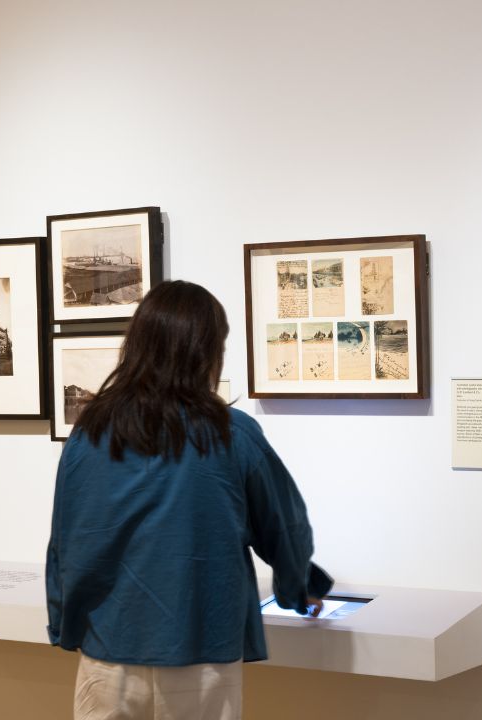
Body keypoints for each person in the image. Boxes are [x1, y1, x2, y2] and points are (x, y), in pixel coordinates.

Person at [46, 280, 332, 720]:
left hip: (109, 648)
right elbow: (282, 524)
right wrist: (300, 587)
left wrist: (63, 618)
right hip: (202, 647)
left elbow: (67, 542)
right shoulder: (230, 433)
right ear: (207, 350)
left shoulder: (89, 433)